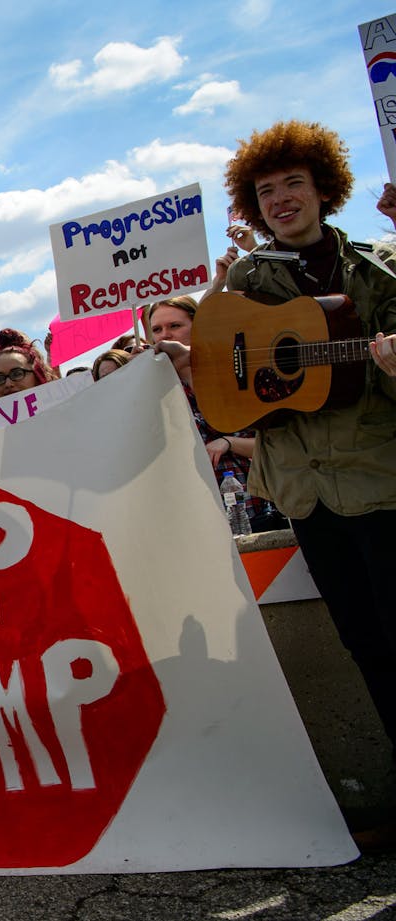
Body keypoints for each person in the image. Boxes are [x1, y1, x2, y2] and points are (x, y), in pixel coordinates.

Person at [219, 120, 396, 754]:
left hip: (380, 483)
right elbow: (223, 377)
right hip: (305, 495)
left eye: (294, 183)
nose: (280, 199)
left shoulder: (381, 270)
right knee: (365, 644)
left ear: (325, 190)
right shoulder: (246, 283)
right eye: (266, 190)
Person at [145, 294, 277, 531]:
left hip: (260, 507)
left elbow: (275, 445)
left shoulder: (236, 374)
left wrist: (228, 442)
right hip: (200, 520)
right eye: (157, 329)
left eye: (175, 326)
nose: (165, 335)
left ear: (199, 326)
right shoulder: (159, 392)